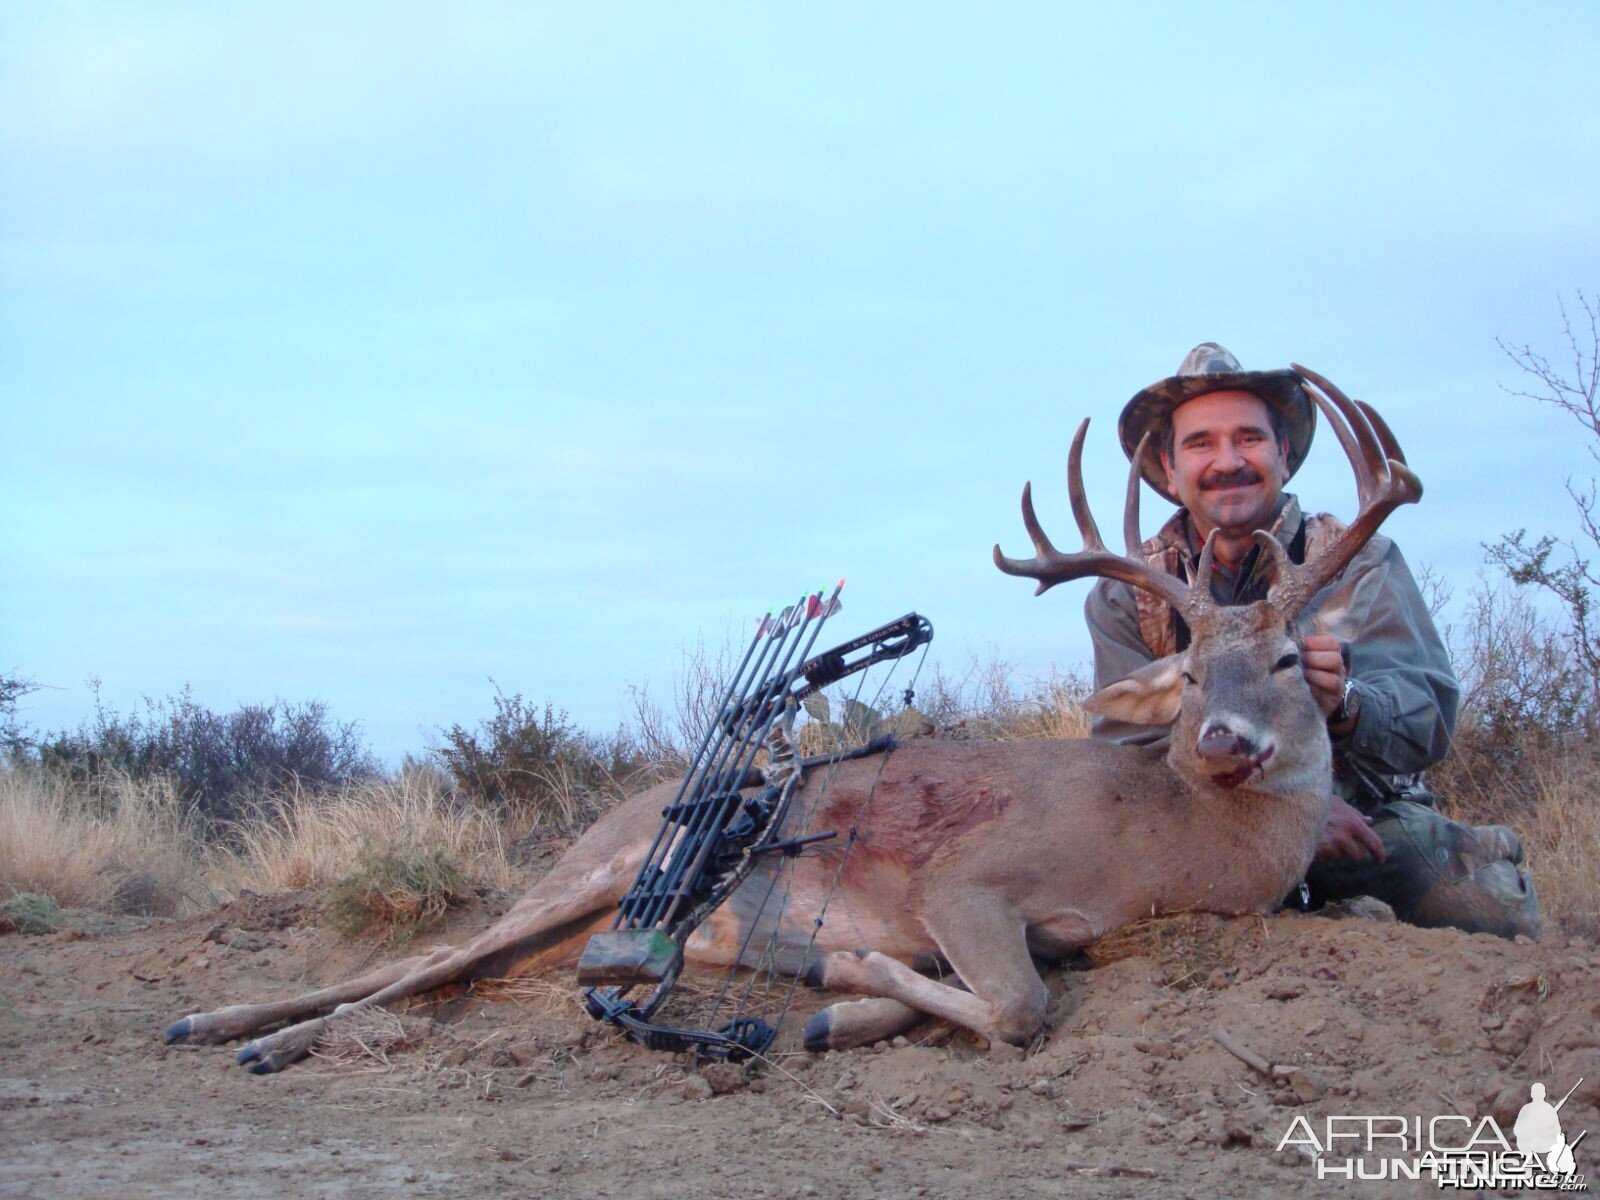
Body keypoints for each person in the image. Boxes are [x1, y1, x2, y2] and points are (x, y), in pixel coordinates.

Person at [1084, 343, 1540, 939]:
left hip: (1360, 824)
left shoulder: (1354, 562)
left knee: (1492, 917)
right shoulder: (1127, 594)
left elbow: (1429, 716)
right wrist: (1280, 815)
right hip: (1195, 826)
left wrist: (1348, 704)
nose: (1228, 460)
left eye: (1249, 438)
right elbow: (1125, 754)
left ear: (1285, 454)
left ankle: (1476, 853)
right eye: (1200, 443)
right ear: (1169, 470)